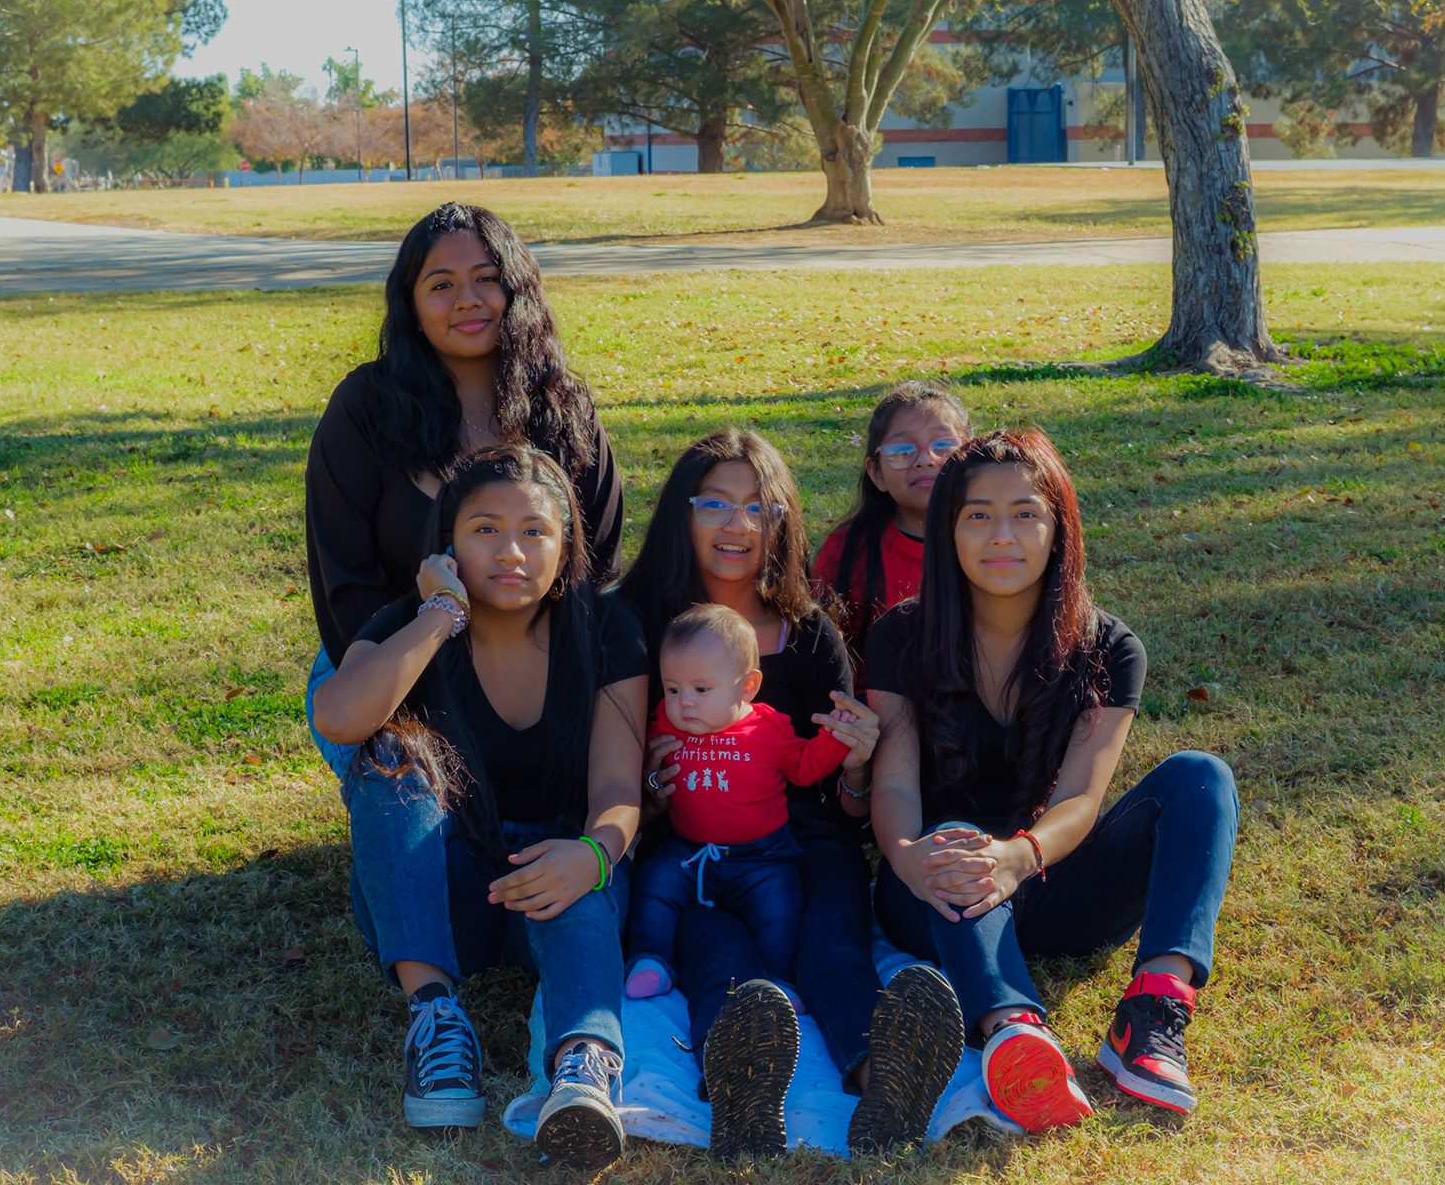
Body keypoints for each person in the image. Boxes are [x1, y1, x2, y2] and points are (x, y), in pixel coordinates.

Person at [868, 428, 1238, 1130]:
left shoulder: (1110, 647)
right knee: (956, 836)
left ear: (1058, 528)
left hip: (1050, 878)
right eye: (978, 515)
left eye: (1025, 514)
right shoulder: (901, 635)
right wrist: (907, 856)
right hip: (937, 890)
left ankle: (1152, 1014)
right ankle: (1013, 1035)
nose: (1002, 536)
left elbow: (1080, 799)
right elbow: (894, 786)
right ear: (947, 530)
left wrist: (1021, 855)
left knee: (1201, 776)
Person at [617, 430, 964, 1158]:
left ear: (782, 522)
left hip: (804, 840)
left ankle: (881, 1079)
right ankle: (742, 1088)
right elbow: (618, 784)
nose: (738, 524)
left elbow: (845, 802)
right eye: (715, 503)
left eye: (759, 507)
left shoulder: (809, 634)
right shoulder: (641, 626)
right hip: (692, 846)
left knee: (831, 940)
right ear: (682, 512)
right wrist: (653, 786)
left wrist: (858, 766)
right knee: (717, 951)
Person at [310, 446, 646, 1170]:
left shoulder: (608, 630)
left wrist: (593, 854)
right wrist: (440, 614)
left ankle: (584, 1069)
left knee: (582, 878)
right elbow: (338, 716)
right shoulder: (408, 623)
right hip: (438, 889)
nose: (511, 552)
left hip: (549, 879)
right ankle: (435, 1018)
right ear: (448, 545)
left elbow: (619, 792)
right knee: (387, 754)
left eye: (535, 531)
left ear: (566, 545)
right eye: (485, 529)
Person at [305, 200, 622, 678]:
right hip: (389, 671)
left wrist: (549, 680)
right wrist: (417, 688)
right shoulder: (364, 408)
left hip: (544, 672)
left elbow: (598, 567)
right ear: (412, 307)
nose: (467, 299)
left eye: (487, 278)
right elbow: (346, 586)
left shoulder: (563, 406)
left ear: (517, 290)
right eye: (441, 285)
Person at [624, 604, 873, 1002]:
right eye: (673, 689)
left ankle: (780, 981)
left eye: (701, 690)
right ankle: (649, 958)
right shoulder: (666, 722)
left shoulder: (768, 726)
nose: (684, 702)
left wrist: (835, 738)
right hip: (688, 849)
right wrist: (647, 773)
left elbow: (804, 768)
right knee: (654, 886)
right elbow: (635, 753)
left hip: (764, 856)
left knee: (780, 912)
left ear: (748, 687)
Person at [814, 380, 970, 654]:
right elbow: (821, 652)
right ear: (876, 473)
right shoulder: (846, 551)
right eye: (902, 451)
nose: (925, 459)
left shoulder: (994, 540)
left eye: (944, 446)